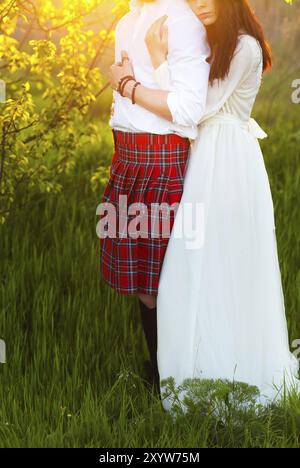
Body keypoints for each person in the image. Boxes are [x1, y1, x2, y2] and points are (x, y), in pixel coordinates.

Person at [111, 0, 300, 412]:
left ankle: (234, 365)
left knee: (221, 263)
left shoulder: (246, 46)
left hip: (229, 161)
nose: (198, 4)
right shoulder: (219, 43)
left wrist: (148, 70)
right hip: (207, 157)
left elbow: (195, 111)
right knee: (197, 264)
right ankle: (189, 362)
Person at [100, 0, 210, 396]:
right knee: (146, 282)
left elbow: (188, 109)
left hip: (160, 160)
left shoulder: (181, 20)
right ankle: (160, 372)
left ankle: (181, 376)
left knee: (169, 276)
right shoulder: (126, 20)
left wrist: (127, 86)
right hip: (128, 158)